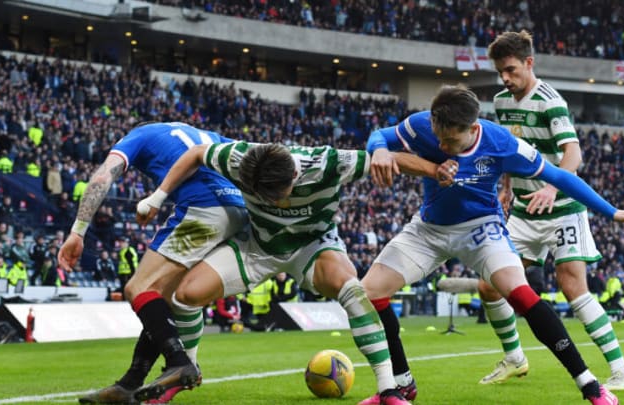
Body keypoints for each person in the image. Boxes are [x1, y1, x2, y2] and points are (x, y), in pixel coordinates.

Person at [360, 85, 624, 405]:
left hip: (482, 229)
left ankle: (590, 386)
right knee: (368, 293)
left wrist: (611, 212)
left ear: (473, 129)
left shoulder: (501, 143)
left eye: (451, 141)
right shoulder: (421, 124)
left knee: (521, 293)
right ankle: (399, 385)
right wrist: (379, 150)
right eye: (438, 138)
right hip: (429, 229)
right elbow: (380, 136)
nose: (442, 146)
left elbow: (560, 177)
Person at [136, 141, 410, 404]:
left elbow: (394, 159)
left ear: (294, 174)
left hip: (310, 246)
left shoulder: (328, 162)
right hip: (259, 247)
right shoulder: (240, 157)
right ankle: (187, 371)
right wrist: (158, 196)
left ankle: (387, 389)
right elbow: (196, 152)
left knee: (353, 289)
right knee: (185, 294)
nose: (278, 204)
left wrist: (440, 170)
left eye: (279, 195)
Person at [471, 30, 624, 391]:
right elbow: (507, 152)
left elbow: (573, 154)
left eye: (512, 70)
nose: (505, 78)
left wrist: (551, 186)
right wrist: (504, 188)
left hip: (562, 208)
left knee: (572, 286)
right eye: (501, 71)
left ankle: (622, 372)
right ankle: (515, 359)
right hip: (525, 213)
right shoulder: (502, 101)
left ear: (529, 63)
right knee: (488, 286)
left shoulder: (550, 101)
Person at [57, 122, 247, 405]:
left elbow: (101, 178)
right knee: (159, 299)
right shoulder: (206, 134)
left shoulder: (140, 135)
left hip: (203, 207)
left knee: (138, 288)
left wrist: (78, 231)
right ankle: (130, 383)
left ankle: (180, 362)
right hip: (240, 209)